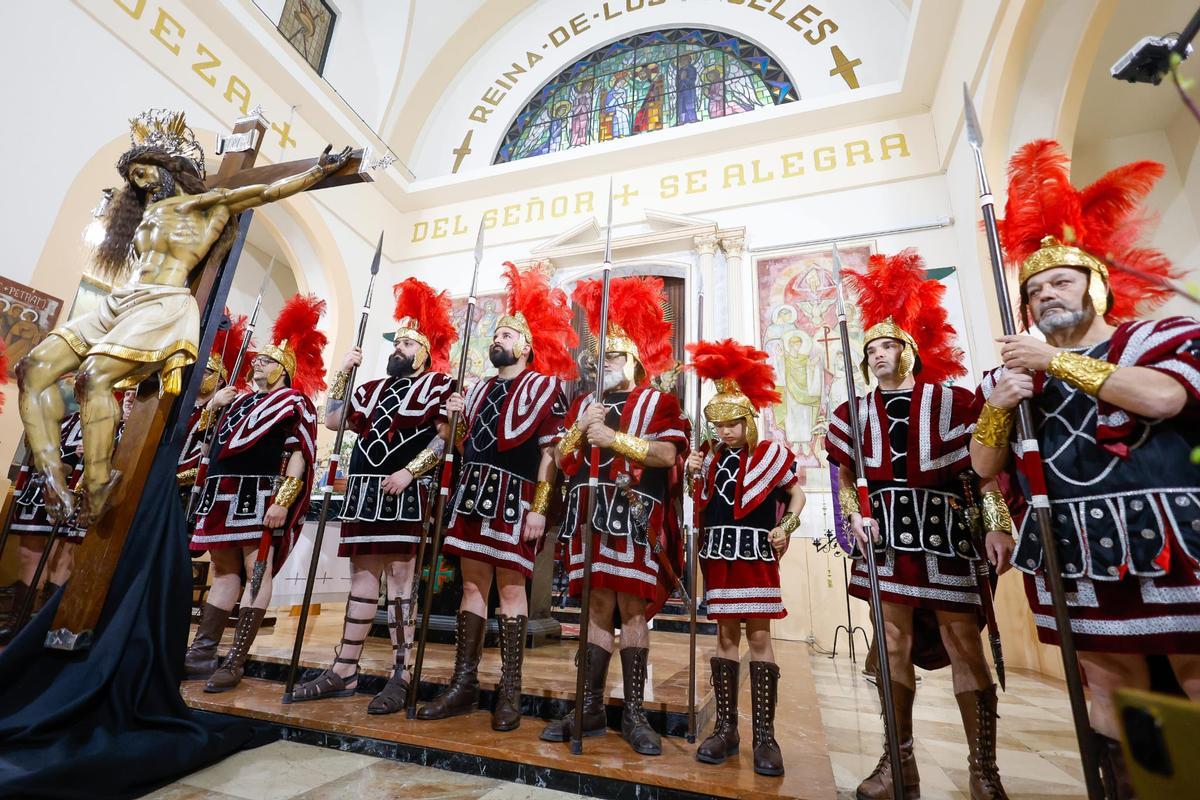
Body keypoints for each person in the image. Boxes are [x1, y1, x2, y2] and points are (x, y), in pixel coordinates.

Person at [971, 139, 1200, 797]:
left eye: (1061, 282)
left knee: (1194, 675)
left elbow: (1165, 398)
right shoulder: (1010, 375)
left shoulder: (1159, 337)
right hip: (1070, 543)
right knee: (1107, 686)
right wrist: (998, 407)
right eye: (1034, 290)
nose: (1046, 294)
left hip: (1169, 538)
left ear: (1096, 286)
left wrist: (1055, 363)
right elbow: (984, 465)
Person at [15, 108, 349, 525]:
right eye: (133, 177)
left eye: (144, 171)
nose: (140, 182)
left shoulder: (205, 203)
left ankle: (98, 481)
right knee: (31, 369)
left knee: (93, 377)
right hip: (122, 301)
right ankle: (52, 476)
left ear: (169, 168)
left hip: (163, 303)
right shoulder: (143, 216)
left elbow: (266, 191)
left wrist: (317, 171)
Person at [826, 250, 1013, 800]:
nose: (877, 355)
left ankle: (983, 770)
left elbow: (982, 472)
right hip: (884, 538)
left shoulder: (952, 401)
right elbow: (844, 476)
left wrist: (998, 523)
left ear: (908, 352)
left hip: (946, 536)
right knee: (890, 643)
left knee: (963, 642)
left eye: (886, 346)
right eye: (870, 350)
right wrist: (852, 517)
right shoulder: (852, 412)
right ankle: (897, 762)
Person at [419, 263, 577, 731]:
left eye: (506, 335)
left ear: (524, 346)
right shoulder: (478, 388)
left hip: (516, 499)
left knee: (511, 591)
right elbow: (466, 445)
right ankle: (463, 683)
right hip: (472, 495)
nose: (497, 340)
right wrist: (453, 423)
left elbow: (551, 453)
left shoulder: (544, 388)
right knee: (471, 589)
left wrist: (540, 508)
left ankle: (510, 690)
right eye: (495, 335)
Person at [540, 276, 690, 756]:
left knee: (632, 610)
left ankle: (634, 712)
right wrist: (579, 431)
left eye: (614, 356)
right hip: (587, 519)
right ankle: (589, 706)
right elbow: (561, 461)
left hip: (634, 521)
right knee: (595, 608)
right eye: (600, 356)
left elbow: (668, 455)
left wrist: (613, 439)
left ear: (634, 360)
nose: (603, 363)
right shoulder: (585, 404)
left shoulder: (660, 401)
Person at [290, 278, 456, 714]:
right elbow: (333, 420)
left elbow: (445, 437)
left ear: (423, 354)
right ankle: (345, 668)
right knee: (362, 582)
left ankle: (402, 673)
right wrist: (344, 371)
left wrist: (410, 471)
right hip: (364, 493)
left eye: (407, 344)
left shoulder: (439, 386)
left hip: (404, 493)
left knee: (400, 584)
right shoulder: (369, 388)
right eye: (396, 343)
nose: (398, 348)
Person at [184, 294, 326, 693]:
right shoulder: (238, 399)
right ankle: (202, 652)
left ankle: (236, 659)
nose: (257, 363)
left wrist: (283, 501)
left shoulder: (295, 402)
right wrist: (214, 407)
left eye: (266, 360)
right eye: (257, 359)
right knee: (224, 572)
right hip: (220, 492)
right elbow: (207, 443)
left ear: (283, 369)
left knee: (256, 572)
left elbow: (299, 454)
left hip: (258, 496)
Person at [685, 339, 805, 776]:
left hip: (755, 554)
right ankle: (726, 729)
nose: (725, 431)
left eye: (732, 423)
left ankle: (765, 737)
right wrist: (692, 473)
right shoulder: (709, 456)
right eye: (719, 424)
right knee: (724, 638)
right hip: (718, 553)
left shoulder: (771, 455)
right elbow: (700, 502)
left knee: (758, 638)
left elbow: (796, 494)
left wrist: (786, 526)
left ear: (748, 419)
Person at [177, 312, 248, 508]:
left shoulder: (227, 410)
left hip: (193, 489)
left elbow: (208, 453)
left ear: (219, 380)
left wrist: (212, 407)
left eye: (205, 372)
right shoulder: (182, 406)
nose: (199, 376)